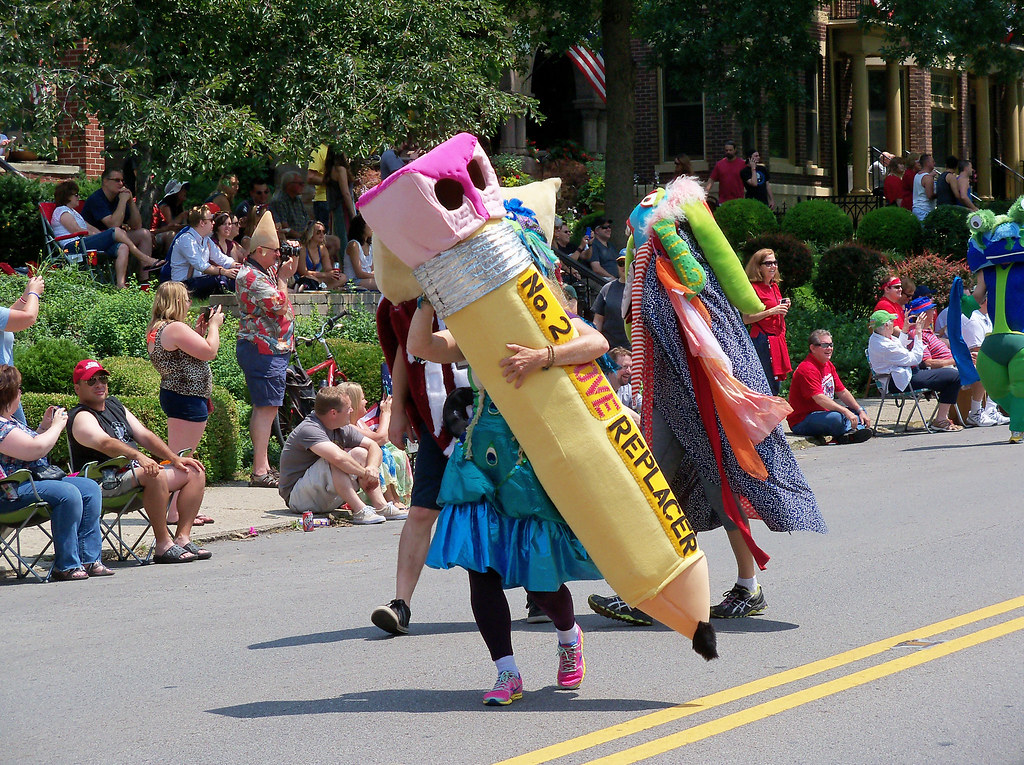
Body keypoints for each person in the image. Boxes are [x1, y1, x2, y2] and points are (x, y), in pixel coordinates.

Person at [409, 295, 603, 706]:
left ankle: (569, 638)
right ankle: (506, 671)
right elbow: (420, 347)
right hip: (479, 465)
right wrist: (426, 299)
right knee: (481, 571)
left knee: (540, 579)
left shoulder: (549, 318)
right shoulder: (476, 329)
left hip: (531, 465)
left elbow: (597, 343)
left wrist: (544, 355)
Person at [369, 297, 469, 635]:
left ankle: (538, 593)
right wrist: (398, 410)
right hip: (439, 419)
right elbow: (404, 350)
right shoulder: (404, 299)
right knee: (422, 511)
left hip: (491, 409)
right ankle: (401, 604)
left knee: (514, 504)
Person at [67, 359, 211, 563]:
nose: (99, 384)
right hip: (104, 483)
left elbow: (144, 435)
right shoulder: (81, 416)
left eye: (102, 379)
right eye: (91, 381)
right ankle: (163, 545)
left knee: (194, 470)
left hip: (134, 475)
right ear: (77, 388)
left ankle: (182, 539)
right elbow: (105, 443)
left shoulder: (115, 405)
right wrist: (138, 456)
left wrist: (174, 458)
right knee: (155, 474)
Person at [0, 365, 111, 581]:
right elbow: (34, 450)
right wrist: (58, 427)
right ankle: (66, 565)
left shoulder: (10, 421)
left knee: (88, 487)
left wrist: (43, 427)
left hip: (29, 483)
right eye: (19, 388)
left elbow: (32, 445)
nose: (21, 393)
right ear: (9, 393)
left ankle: (89, 559)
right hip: (9, 492)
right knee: (67, 493)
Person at [147, 282, 223, 525]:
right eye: (187, 299)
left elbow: (185, 355)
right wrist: (213, 327)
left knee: (179, 455)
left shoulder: (159, 328)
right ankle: (173, 512)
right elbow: (210, 351)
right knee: (182, 458)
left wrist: (198, 333)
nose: (190, 304)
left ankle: (179, 507)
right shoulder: (175, 327)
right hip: (187, 398)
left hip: (177, 395)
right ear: (178, 302)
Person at [235, 210, 299, 488]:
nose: (278, 256)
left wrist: (292, 256)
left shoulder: (264, 269)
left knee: (269, 407)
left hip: (272, 349)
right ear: (259, 250)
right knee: (266, 408)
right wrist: (283, 279)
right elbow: (278, 305)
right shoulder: (250, 276)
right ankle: (260, 471)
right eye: (274, 251)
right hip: (262, 349)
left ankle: (262, 467)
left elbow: (288, 271)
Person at [278, 386, 405, 522]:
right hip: (299, 499)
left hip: (324, 497)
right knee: (336, 458)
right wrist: (365, 473)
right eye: (348, 408)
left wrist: (372, 468)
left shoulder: (343, 428)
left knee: (361, 453)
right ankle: (360, 510)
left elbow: (374, 445)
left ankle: (381, 506)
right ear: (333, 413)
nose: (351, 410)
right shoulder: (309, 429)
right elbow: (338, 458)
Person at [867, 309, 963, 432]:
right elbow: (915, 358)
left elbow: (900, 348)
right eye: (892, 322)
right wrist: (918, 333)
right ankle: (940, 420)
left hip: (903, 374)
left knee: (948, 374)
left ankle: (940, 416)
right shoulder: (884, 345)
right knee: (954, 376)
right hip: (898, 381)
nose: (894, 324)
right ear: (886, 325)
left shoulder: (880, 338)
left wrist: (905, 330)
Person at [787, 330, 872, 443]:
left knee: (858, 411)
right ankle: (853, 430)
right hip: (803, 420)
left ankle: (847, 434)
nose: (829, 348)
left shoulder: (828, 365)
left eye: (831, 345)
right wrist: (845, 412)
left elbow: (842, 391)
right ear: (812, 348)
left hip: (824, 414)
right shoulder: (807, 369)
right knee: (837, 418)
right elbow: (819, 398)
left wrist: (859, 410)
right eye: (824, 345)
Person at [51, 180, 139, 288]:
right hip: (72, 247)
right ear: (67, 196)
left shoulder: (74, 213)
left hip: (83, 244)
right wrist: (108, 235)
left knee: (122, 247)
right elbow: (77, 231)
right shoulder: (61, 211)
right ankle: (143, 257)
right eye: (76, 195)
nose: (78, 197)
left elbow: (91, 228)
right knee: (115, 230)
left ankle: (120, 284)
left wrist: (104, 236)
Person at [340, 381, 412, 510]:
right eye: (362, 399)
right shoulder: (347, 427)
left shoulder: (360, 423)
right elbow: (380, 438)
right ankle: (388, 500)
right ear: (354, 403)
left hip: (365, 468)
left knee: (396, 452)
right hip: (356, 472)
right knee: (382, 453)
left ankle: (396, 497)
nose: (366, 401)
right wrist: (386, 413)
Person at [81, 167, 162, 275]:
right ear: (105, 181)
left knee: (144, 234)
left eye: (122, 181)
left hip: (114, 238)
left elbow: (137, 225)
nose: (121, 184)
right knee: (118, 231)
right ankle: (144, 258)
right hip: (94, 240)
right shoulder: (97, 199)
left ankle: (144, 281)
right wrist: (123, 201)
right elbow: (113, 225)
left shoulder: (118, 198)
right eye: (117, 180)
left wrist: (131, 202)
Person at [741, 248, 792, 396]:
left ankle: (771, 417)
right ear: (758, 267)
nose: (773, 266)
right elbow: (746, 319)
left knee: (776, 384)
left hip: (777, 339)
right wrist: (772, 311)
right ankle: (768, 418)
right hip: (763, 340)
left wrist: (783, 306)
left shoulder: (774, 286)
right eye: (768, 263)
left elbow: (776, 314)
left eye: (775, 262)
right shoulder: (753, 288)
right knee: (767, 384)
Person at [270, 170, 342, 264]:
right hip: (295, 239)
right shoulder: (279, 201)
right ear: (289, 185)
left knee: (335, 241)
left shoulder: (297, 200)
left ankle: (321, 267)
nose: (303, 186)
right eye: (300, 183)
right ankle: (317, 267)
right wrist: (305, 236)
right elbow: (285, 227)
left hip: (307, 235)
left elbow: (308, 220)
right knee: (330, 243)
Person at [168, 205, 240, 298]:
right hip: (182, 286)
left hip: (197, 280)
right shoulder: (186, 239)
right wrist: (223, 271)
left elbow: (221, 258)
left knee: (233, 277)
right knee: (220, 279)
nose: (213, 223)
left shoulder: (206, 239)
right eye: (210, 220)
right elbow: (200, 265)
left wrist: (237, 266)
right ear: (202, 222)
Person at [960, 290, 1009, 426]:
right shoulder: (972, 319)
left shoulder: (986, 316)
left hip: (984, 356)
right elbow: (976, 349)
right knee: (996, 368)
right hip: (970, 360)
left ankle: (991, 409)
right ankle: (975, 412)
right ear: (988, 301)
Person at [0, 275, 44, 425]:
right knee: (18, 443)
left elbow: (10, 319)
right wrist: (34, 293)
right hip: (3, 390)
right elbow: (28, 318)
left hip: (5, 386)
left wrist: (26, 297)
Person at [592, 254, 629, 348]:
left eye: (628, 262)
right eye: (621, 263)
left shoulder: (641, 290)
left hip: (635, 350)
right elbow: (598, 320)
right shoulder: (607, 288)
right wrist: (596, 344)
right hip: (610, 349)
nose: (624, 266)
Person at [297, 221, 346, 291]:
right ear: (311, 233)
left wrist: (333, 273)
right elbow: (303, 272)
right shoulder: (303, 249)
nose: (322, 234)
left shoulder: (322, 249)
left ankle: (324, 288)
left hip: (317, 277)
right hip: (304, 278)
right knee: (310, 278)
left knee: (343, 277)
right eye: (318, 232)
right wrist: (326, 274)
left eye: (323, 232)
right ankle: (324, 287)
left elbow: (327, 269)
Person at [703, 139, 745, 204]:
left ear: (735, 150)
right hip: (723, 200)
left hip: (738, 200)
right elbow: (711, 180)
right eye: (726, 150)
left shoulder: (742, 164)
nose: (728, 152)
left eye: (730, 150)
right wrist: (705, 193)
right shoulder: (720, 164)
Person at [343, 215, 377, 290]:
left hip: (367, 279)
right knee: (383, 285)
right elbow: (359, 274)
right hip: (353, 281)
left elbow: (372, 269)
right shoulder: (354, 245)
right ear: (361, 227)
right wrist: (378, 276)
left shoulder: (370, 245)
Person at [912, 153, 937, 222]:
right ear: (927, 163)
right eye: (933, 161)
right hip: (925, 210)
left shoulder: (917, 175)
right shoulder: (928, 178)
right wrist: (940, 193)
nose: (934, 163)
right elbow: (930, 195)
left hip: (916, 208)